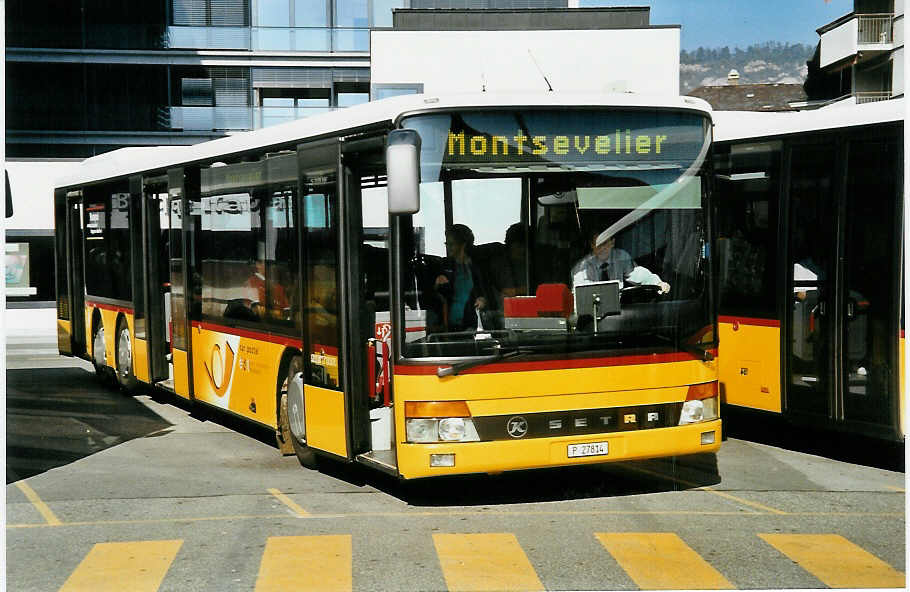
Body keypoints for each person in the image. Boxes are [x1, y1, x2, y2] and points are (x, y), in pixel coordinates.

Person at [432, 224, 496, 331]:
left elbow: (487, 292)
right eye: (447, 244)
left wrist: (483, 299)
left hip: (473, 324)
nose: (448, 247)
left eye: (452, 244)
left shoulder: (478, 267)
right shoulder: (443, 265)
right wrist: (436, 284)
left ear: (463, 244)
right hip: (447, 326)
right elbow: (433, 295)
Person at [571, 230, 670, 293]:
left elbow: (637, 274)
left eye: (605, 243)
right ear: (592, 246)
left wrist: (658, 283)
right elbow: (579, 298)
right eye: (598, 244)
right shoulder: (581, 269)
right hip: (591, 316)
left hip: (616, 313)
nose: (602, 248)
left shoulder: (621, 257)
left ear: (612, 242)